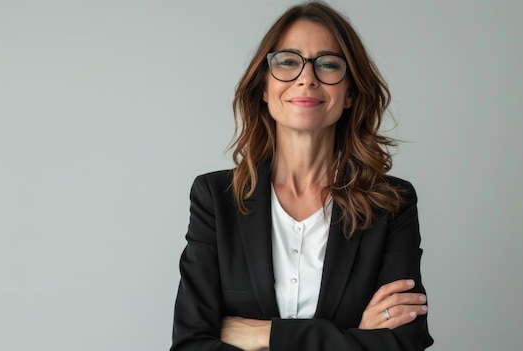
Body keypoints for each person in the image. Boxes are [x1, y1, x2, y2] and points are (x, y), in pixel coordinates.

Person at [170, 1, 434, 350]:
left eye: (327, 64)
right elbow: (191, 345)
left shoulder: (391, 203)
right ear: (264, 87)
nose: (306, 78)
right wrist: (352, 337)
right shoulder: (215, 198)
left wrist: (265, 335)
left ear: (350, 93)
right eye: (288, 62)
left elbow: (403, 343)